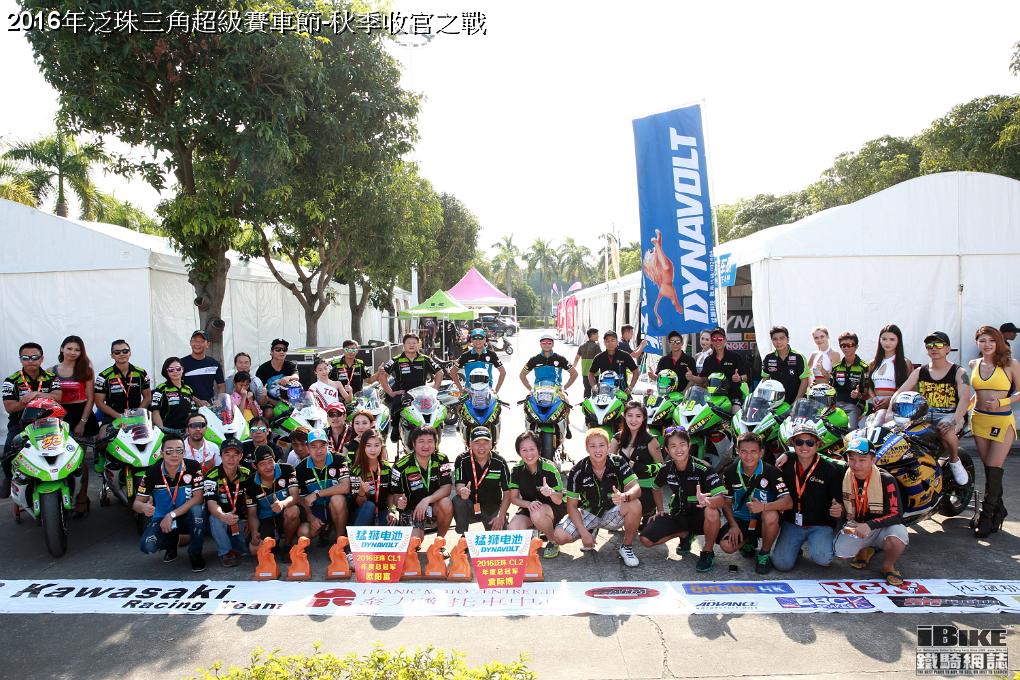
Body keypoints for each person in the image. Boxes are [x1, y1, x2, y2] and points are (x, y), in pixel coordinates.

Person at [552, 428, 644, 567]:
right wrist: (584, 533)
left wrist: (625, 496)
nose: (598, 450)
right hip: (588, 512)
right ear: (587, 448)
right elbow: (571, 506)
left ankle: (626, 547)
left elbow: (636, 488)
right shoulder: (577, 470)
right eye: (593, 446)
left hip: (613, 511)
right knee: (559, 536)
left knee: (635, 504)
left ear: (608, 446)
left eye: (601, 445)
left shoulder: (618, 462)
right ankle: (590, 530)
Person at [639, 426, 726, 572]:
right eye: (673, 446)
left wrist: (707, 501)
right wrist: (660, 510)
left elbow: (721, 498)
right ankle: (684, 534)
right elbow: (655, 487)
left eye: (682, 444)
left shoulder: (704, 468)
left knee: (712, 512)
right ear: (667, 450)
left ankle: (707, 551)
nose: (678, 449)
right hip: (678, 515)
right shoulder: (666, 467)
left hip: (700, 517)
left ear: (689, 445)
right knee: (645, 540)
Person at [888, 331, 970, 485]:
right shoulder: (920, 371)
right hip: (923, 416)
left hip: (951, 414)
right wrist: (889, 413)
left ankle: (954, 460)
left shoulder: (959, 372)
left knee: (946, 429)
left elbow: (965, 398)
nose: (934, 348)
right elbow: (900, 392)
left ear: (948, 348)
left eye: (938, 344)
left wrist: (954, 420)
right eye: (929, 345)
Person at [833, 437, 909, 586]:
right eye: (852, 459)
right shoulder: (844, 474)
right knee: (840, 552)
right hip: (856, 525)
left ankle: (888, 566)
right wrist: (839, 510)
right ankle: (865, 549)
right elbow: (820, 458)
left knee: (898, 536)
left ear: (873, 460)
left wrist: (869, 525)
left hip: (882, 527)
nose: (856, 465)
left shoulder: (886, 479)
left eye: (862, 460)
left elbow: (897, 515)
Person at [968, 325, 1020, 537]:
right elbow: (976, 395)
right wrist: (961, 414)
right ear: (977, 343)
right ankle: (1000, 510)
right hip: (979, 420)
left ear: (998, 342)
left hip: (1002, 421)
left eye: (991, 340)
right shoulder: (974, 363)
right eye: (982, 340)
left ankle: (986, 516)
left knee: (993, 467)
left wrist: (1002, 402)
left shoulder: (1011, 363)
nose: (987, 344)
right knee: (989, 470)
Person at [771, 424, 844, 572]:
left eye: (810, 442)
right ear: (793, 444)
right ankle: (795, 547)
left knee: (822, 558)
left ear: (818, 444)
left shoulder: (830, 470)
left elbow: (839, 502)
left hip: (820, 525)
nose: (804, 446)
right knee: (781, 564)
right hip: (792, 523)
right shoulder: (784, 464)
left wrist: (839, 509)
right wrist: (788, 454)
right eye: (799, 442)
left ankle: (819, 544)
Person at [718, 432, 791, 575]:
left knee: (770, 515)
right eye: (744, 451)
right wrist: (733, 525)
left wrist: (763, 506)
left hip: (764, 520)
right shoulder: (730, 471)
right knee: (726, 546)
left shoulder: (771, 471)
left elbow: (788, 502)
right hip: (742, 519)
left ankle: (764, 554)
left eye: (753, 451)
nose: (748, 456)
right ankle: (749, 540)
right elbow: (726, 502)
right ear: (738, 451)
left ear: (761, 452)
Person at [133, 432, 207, 571]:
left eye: (179, 450)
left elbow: (198, 497)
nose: (175, 455)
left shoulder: (193, 466)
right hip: (162, 519)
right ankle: (171, 543)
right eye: (169, 451)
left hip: (185, 515)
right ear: (162, 453)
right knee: (147, 546)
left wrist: (171, 515)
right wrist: (143, 507)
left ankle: (195, 554)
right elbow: (136, 504)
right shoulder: (152, 472)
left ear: (184, 452)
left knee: (198, 511)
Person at [1, 342, 62, 498]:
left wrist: (35, 394)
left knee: (68, 447)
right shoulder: (11, 380)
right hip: (20, 424)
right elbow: (10, 407)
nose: (30, 361)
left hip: (49, 423)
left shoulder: (51, 377)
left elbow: (58, 397)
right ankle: (8, 478)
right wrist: (30, 402)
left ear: (41, 358)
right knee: (8, 449)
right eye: (26, 357)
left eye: (35, 357)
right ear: (20, 359)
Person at [51, 336, 97, 517]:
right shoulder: (50, 371)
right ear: (62, 349)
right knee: (59, 460)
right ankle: (60, 498)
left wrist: (82, 422)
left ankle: (82, 499)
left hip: (81, 416)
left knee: (78, 462)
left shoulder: (86, 370)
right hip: (59, 417)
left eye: (77, 350)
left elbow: (90, 398)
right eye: (69, 348)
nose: (73, 352)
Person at [390, 426, 454, 544]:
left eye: (430, 441)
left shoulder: (441, 459)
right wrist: (399, 501)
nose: (426, 446)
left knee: (446, 503)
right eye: (421, 441)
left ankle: (439, 543)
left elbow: (447, 488)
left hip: (434, 507)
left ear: (435, 443)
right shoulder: (400, 466)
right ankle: (415, 531)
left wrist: (426, 500)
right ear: (413, 444)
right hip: (412, 510)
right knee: (415, 542)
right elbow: (395, 495)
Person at [508, 431, 566, 559]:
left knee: (537, 513)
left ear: (539, 450)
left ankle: (553, 541)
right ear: (519, 452)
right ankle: (535, 532)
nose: (529, 454)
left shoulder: (550, 468)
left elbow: (559, 500)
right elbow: (514, 498)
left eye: (532, 449)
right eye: (524, 450)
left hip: (554, 508)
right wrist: (528, 504)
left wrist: (551, 493)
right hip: (530, 506)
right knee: (513, 528)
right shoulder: (516, 470)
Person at [378, 334, 444, 443]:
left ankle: (435, 432)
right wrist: (391, 392)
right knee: (396, 407)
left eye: (414, 343)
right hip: (403, 393)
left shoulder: (425, 359)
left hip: (422, 394)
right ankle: (395, 428)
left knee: (436, 408)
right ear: (404, 345)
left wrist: (435, 390)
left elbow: (440, 373)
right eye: (408, 343)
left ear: (418, 345)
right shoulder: (396, 360)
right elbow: (382, 375)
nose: (411, 345)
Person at [295, 429, 351, 544]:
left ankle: (339, 542)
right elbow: (301, 498)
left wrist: (317, 494)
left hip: (337, 507)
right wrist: (310, 517)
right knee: (303, 532)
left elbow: (345, 487)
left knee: (337, 499)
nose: (319, 450)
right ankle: (324, 531)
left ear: (328, 445)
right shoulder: (300, 468)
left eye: (322, 445)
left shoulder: (339, 459)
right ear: (307, 447)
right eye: (314, 446)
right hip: (317, 510)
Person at [609, 402, 663, 520]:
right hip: (623, 488)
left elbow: (662, 467)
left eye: (638, 416)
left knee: (632, 508)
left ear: (644, 418)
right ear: (624, 416)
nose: (633, 420)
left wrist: (644, 469)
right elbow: (607, 463)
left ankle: (648, 515)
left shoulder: (651, 441)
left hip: (646, 490)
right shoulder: (617, 438)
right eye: (630, 415)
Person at [453, 426, 512, 534]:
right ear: (470, 444)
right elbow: (459, 485)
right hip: (470, 506)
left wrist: (501, 515)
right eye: (477, 442)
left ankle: (496, 523)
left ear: (491, 444)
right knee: (458, 501)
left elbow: (508, 492)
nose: (481, 447)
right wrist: (462, 491)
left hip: (492, 508)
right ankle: (464, 535)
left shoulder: (500, 462)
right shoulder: (461, 459)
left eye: (485, 442)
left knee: (499, 538)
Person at [203, 438, 251, 567]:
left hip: (241, 519)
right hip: (221, 519)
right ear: (221, 456)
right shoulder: (211, 476)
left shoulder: (247, 474)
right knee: (215, 519)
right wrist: (223, 516)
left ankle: (234, 544)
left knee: (247, 551)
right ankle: (225, 552)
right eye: (227, 454)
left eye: (235, 455)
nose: (231, 459)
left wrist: (250, 520)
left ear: (241, 456)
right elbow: (211, 504)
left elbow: (253, 500)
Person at [245, 445, 301, 555]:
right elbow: (252, 514)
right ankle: (274, 543)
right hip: (266, 519)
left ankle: (287, 545)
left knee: (293, 511)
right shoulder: (250, 482)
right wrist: (255, 531)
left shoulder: (287, 469)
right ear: (254, 466)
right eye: (262, 464)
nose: (268, 467)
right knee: (254, 549)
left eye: (270, 462)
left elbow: (295, 496)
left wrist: (282, 504)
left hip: (285, 513)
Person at [94, 339, 152, 430]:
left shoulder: (141, 373)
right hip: (113, 417)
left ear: (130, 353)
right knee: (103, 435)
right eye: (117, 352)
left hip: (137, 416)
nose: (122, 354)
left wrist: (136, 414)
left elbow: (147, 397)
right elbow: (99, 403)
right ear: (112, 355)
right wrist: (120, 417)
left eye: (125, 351)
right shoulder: (103, 376)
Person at [688, 327, 748, 407]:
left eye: (720, 339)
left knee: (735, 411)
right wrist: (692, 377)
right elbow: (703, 379)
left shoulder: (735, 357)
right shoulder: (708, 360)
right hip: (712, 397)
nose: (717, 342)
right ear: (712, 341)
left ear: (725, 340)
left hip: (733, 396)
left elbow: (745, 377)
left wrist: (739, 378)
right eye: (714, 339)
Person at [348, 428, 395, 526]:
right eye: (368, 445)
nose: (373, 450)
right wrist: (361, 492)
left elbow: (391, 493)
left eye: (376, 445)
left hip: (382, 512)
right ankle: (355, 536)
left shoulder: (387, 468)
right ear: (363, 447)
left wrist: (391, 511)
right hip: (361, 514)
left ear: (381, 446)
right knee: (369, 506)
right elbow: (359, 504)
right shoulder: (356, 470)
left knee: (393, 520)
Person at [865, 324, 912, 413]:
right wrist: (874, 397)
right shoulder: (873, 363)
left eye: (892, 339)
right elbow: (869, 385)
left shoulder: (905, 363)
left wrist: (891, 399)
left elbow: (910, 388)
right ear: (880, 340)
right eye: (884, 339)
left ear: (898, 341)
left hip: (896, 406)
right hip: (876, 406)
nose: (887, 343)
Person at [760, 326, 810, 405]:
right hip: (775, 403)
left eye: (782, 338)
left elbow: (804, 380)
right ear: (771, 340)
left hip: (796, 403)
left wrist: (796, 402)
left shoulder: (799, 356)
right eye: (775, 339)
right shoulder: (768, 357)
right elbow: (765, 380)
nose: (778, 342)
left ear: (788, 339)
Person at [830, 332, 868, 429]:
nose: (846, 348)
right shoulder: (836, 367)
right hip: (835, 405)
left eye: (850, 345)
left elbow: (867, 394)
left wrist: (858, 394)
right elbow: (831, 388)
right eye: (843, 345)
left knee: (851, 430)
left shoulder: (864, 367)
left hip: (854, 406)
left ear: (856, 346)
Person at [149, 357, 196, 433]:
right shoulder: (161, 388)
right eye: (171, 370)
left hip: (185, 431)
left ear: (182, 369)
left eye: (178, 369)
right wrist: (161, 431)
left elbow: (191, 413)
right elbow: (155, 412)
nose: (175, 372)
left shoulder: (188, 389)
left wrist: (189, 429)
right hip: (166, 430)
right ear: (166, 372)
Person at [452, 328, 506, 393]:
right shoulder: (465, 355)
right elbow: (453, 372)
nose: (478, 341)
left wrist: (496, 390)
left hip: (487, 392)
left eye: (480, 338)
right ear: (471, 340)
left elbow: (503, 372)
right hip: (469, 392)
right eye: (475, 338)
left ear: (485, 339)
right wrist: (461, 389)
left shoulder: (491, 354)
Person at [180, 330, 225, 406]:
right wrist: (196, 400)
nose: (197, 344)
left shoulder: (214, 364)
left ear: (208, 344)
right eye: (195, 341)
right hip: (187, 406)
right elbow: (178, 386)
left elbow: (221, 386)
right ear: (190, 343)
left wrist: (219, 400)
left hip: (209, 406)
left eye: (201, 341)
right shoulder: (181, 363)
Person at [256, 339, 299, 412]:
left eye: (284, 349)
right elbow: (259, 392)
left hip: (289, 401)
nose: (281, 352)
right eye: (278, 349)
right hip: (269, 402)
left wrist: (288, 377)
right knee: (269, 412)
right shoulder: (263, 369)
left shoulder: (290, 365)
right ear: (271, 352)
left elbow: (296, 377)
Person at [572, 328, 601, 399]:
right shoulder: (596, 346)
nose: (598, 336)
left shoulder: (582, 346)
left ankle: (586, 402)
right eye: (597, 334)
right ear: (592, 335)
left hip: (585, 373)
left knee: (587, 390)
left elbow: (577, 358)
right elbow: (601, 359)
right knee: (595, 390)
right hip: (594, 373)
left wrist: (573, 368)